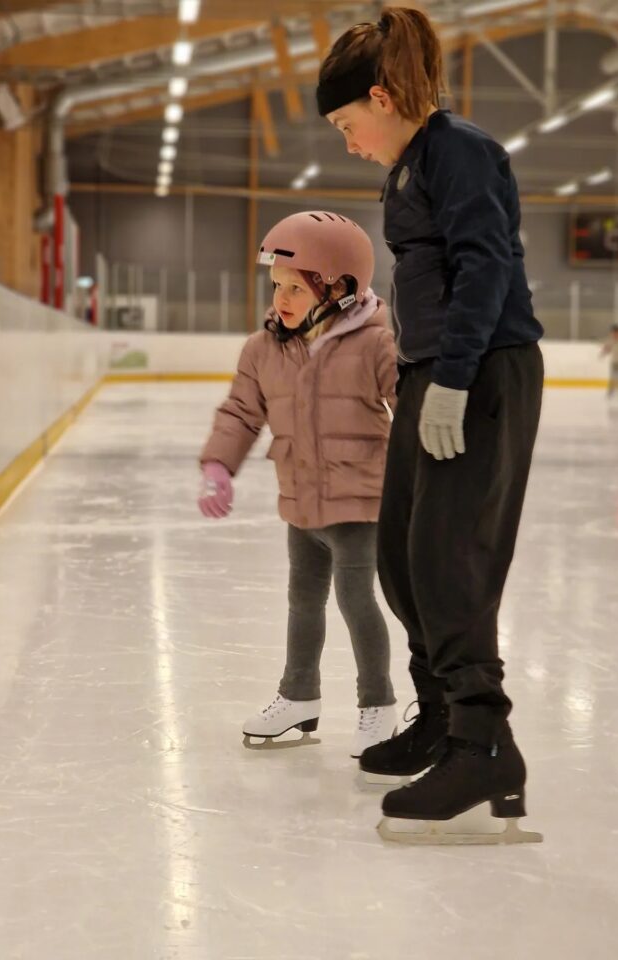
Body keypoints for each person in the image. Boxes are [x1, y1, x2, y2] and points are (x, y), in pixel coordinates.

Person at [316, 5, 545, 844]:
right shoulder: (410, 166)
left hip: (481, 372)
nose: (348, 140)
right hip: (432, 375)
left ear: (382, 96)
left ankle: (483, 741)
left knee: (451, 556)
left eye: (348, 123)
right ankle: (448, 720)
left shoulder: (460, 152)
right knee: (402, 560)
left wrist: (451, 379)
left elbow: (486, 263)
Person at [198, 211, 398, 758]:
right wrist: (219, 464)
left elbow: (408, 406)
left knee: (356, 600)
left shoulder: (375, 345)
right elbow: (241, 412)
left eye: (294, 287)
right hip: (301, 502)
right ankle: (299, 696)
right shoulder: (263, 349)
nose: (281, 298)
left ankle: (377, 707)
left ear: (339, 287)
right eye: (277, 286)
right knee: (302, 601)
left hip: (358, 502)